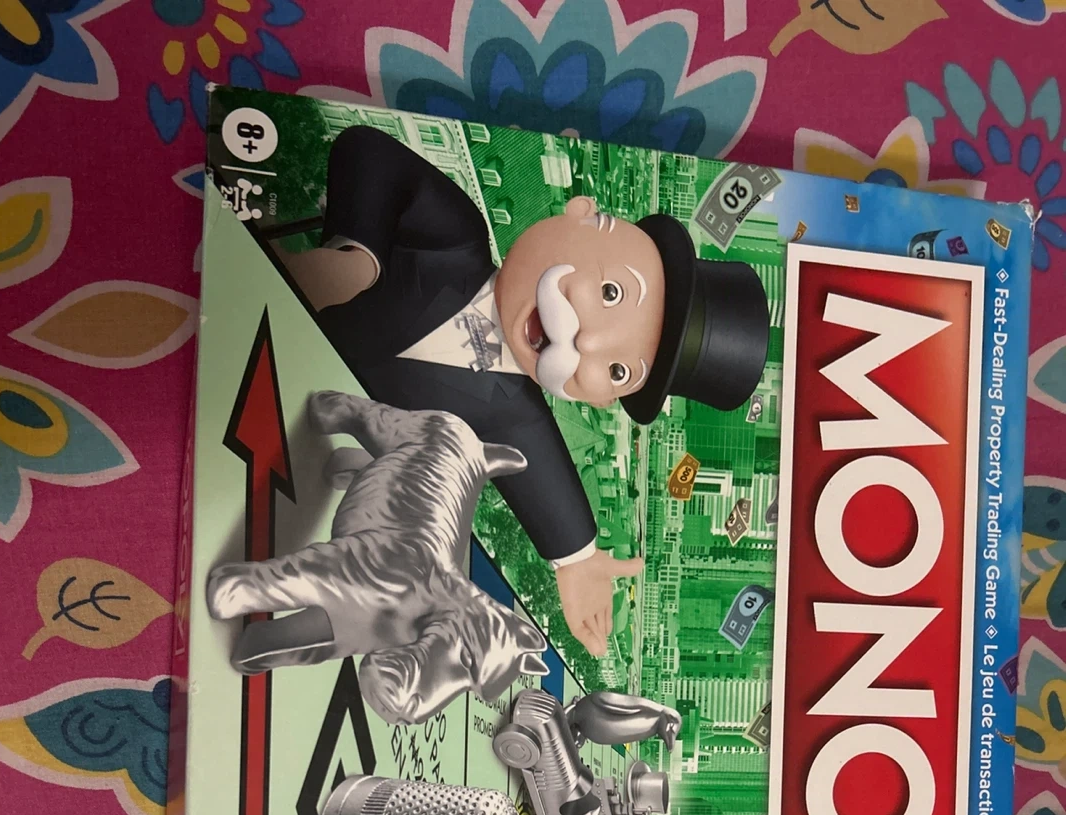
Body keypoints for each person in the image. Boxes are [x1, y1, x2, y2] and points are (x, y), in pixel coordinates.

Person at [270, 125, 769, 657]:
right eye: (610, 292)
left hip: (290, 426)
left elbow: (547, 481)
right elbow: (368, 151)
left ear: (603, 400)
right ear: (579, 215)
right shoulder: (453, 235)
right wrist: (357, 258)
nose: (586, 340)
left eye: (618, 371)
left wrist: (578, 562)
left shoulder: (512, 415)